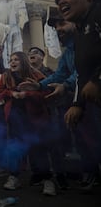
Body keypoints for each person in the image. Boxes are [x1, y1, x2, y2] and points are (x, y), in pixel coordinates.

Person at [19, 16, 77, 190]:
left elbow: (79, 72)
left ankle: (60, 176)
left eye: (62, 24)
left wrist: (63, 86)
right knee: (36, 145)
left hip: (51, 113)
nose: (59, 29)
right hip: (32, 117)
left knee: (54, 145)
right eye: (30, 55)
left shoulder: (87, 45)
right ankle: (41, 175)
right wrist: (38, 85)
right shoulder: (68, 52)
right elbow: (61, 75)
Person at [55, 0, 101, 190]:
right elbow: (83, 74)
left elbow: (88, 77)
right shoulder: (81, 32)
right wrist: (78, 105)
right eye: (57, 0)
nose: (61, 2)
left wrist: (97, 80)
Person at [0, 51, 56, 196]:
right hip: (15, 119)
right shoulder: (6, 76)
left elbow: (47, 93)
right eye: (10, 60)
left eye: (16, 59)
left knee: (39, 149)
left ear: (23, 61)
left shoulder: (36, 75)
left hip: (35, 119)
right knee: (15, 149)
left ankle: (48, 180)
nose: (12, 62)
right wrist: (11, 94)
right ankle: (14, 177)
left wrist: (26, 94)